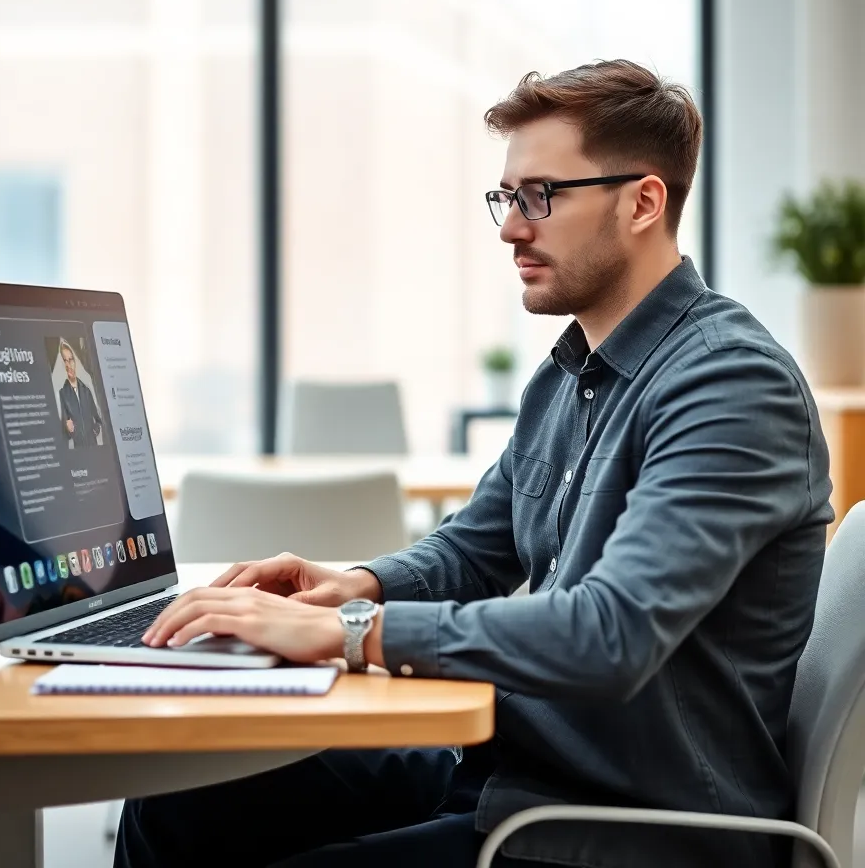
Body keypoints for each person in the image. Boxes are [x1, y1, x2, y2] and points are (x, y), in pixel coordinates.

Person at [115, 60, 832, 868]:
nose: (511, 229)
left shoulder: (731, 383)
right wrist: (359, 587)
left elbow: (611, 633)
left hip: (623, 829)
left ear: (643, 202)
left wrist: (346, 634)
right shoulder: (569, 375)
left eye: (542, 196)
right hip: (514, 772)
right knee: (179, 793)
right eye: (507, 197)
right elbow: (472, 549)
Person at [57, 341, 103, 448]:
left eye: (71, 359)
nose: (68, 364)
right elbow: (64, 433)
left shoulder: (86, 390)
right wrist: (68, 429)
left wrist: (96, 429)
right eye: (65, 360)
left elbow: (98, 419)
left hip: (93, 446)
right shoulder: (62, 394)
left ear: (75, 361)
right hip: (79, 449)